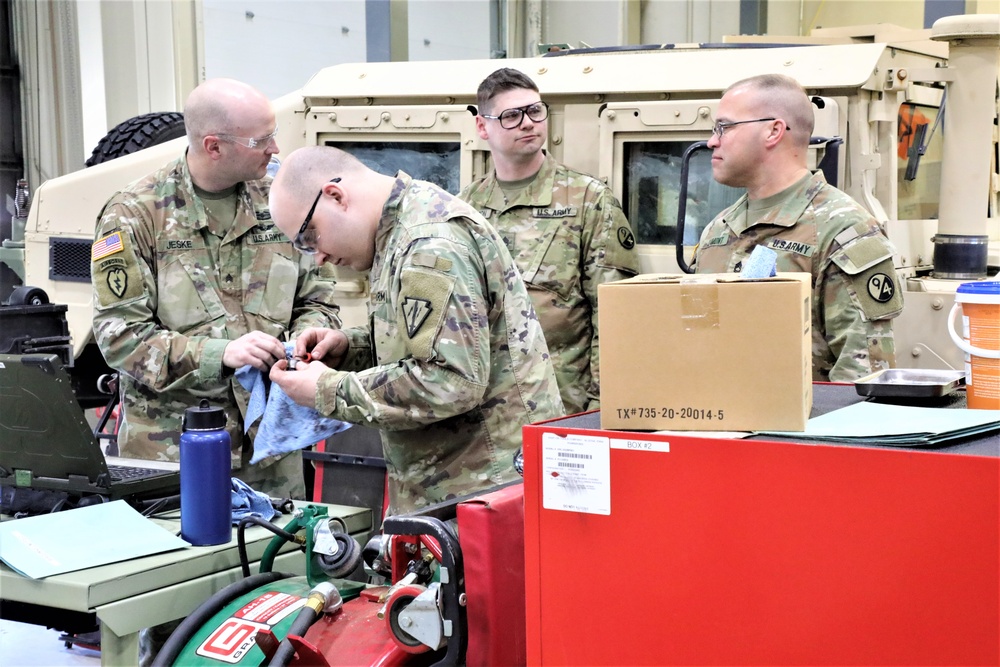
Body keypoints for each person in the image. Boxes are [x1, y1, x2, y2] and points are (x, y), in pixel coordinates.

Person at [267, 146, 565, 515]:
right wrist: (350, 348)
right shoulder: (400, 229)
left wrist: (327, 389)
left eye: (308, 237)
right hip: (462, 484)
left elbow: (450, 380)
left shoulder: (428, 243)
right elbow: (427, 339)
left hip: (484, 490)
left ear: (335, 196)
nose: (318, 256)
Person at [91, 78, 341, 501]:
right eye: (260, 139)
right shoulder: (135, 216)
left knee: (280, 563)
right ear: (214, 146)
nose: (274, 149)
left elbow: (318, 296)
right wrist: (218, 355)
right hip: (176, 454)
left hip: (271, 451)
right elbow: (120, 338)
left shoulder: (279, 200)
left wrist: (307, 336)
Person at [692, 73, 903, 382]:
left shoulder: (843, 229)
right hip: (716, 421)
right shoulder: (718, 230)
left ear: (773, 131)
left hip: (803, 425)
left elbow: (863, 377)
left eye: (724, 127)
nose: (712, 141)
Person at [459, 68, 641, 414]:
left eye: (535, 110)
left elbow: (616, 313)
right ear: (483, 127)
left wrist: (603, 405)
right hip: (483, 411)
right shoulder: (467, 207)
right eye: (511, 116)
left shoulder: (588, 200)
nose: (528, 123)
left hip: (561, 404)